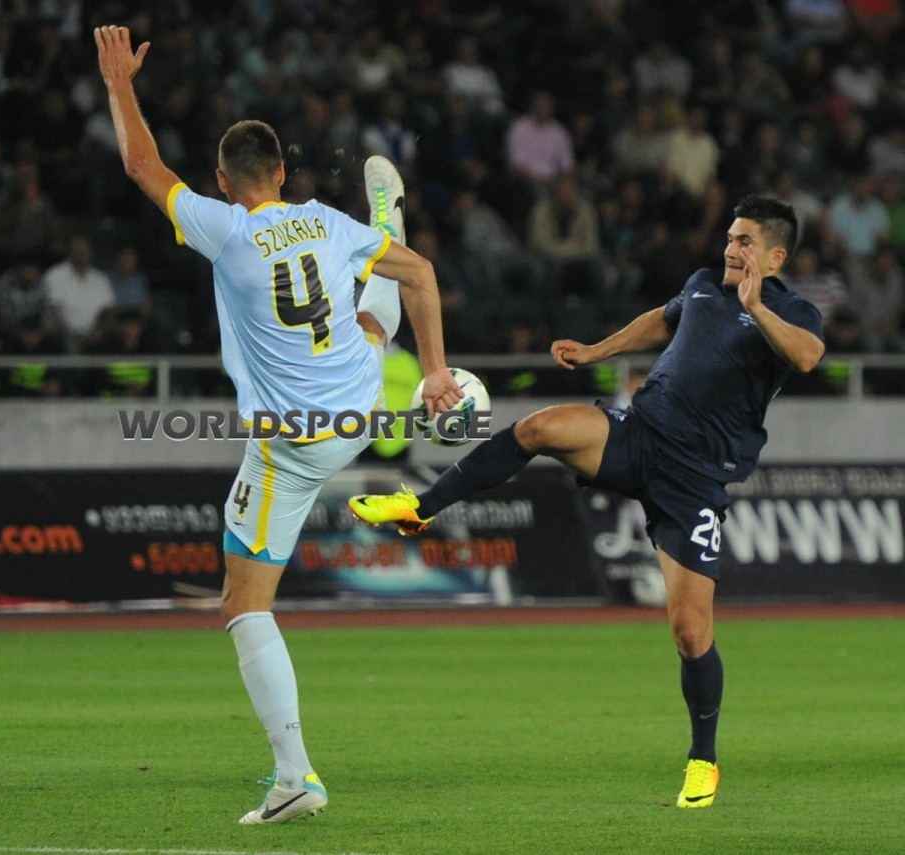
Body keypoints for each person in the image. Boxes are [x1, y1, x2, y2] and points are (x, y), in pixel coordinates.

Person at [94, 24, 461, 825]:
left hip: (293, 443)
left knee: (242, 603)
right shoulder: (324, 219)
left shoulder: (226, 228)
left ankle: (294, 775)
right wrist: (436, 371)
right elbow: (426, 276)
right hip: (362, 405)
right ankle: (387, 224)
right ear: (285, 174)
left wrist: (120, 85)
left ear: (224, 183)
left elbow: (141, 166)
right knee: (374, 314)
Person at [350, 195, 826, 809]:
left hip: (696, 479)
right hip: (639, 435)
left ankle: (703, 761)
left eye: (745, 242)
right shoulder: (706, 283)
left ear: (776, 257)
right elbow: (664, 319)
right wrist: (598, 351)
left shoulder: (792, 312)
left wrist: (756, 307)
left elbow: (807, 357)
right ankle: (420, 506)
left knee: (690, 632)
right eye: (731, 238)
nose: (731, 249)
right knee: (539, 428)